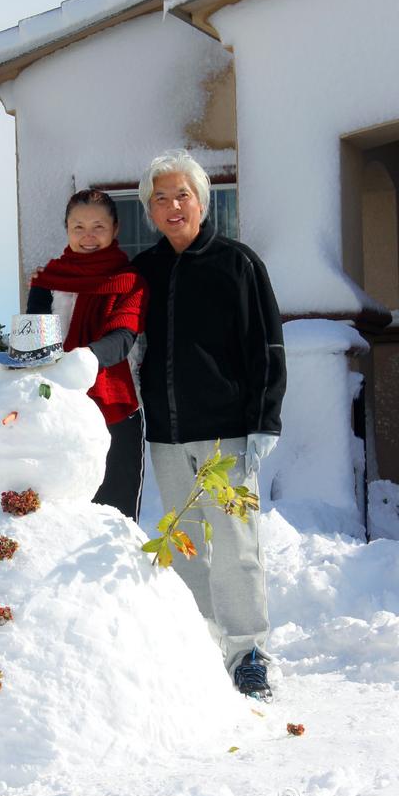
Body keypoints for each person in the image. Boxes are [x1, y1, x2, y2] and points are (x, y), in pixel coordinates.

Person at [132, 149, 286, 700]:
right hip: (168, 435)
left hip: (226, 435)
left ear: (202, 201)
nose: (173, 206)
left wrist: (263, 420)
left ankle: (246, 651)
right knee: (184, 543)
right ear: (150, 209)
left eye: (183, 195)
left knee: (237, 545)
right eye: (161, 198)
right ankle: (197, 646)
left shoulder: (238, 263)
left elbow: (266, 345)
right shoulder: (143, 272)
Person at [27, 189, 147, 521]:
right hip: (57, 409)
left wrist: (81, 360)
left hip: (115, 410)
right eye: (78, 227)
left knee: (115, 516)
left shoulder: (130, 281)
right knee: (60, 513)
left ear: (115, 229)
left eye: (98, 226)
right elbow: (35, 344)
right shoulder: (48, 280)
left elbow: (124, 335)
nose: (88, 236)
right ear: (66, 228)